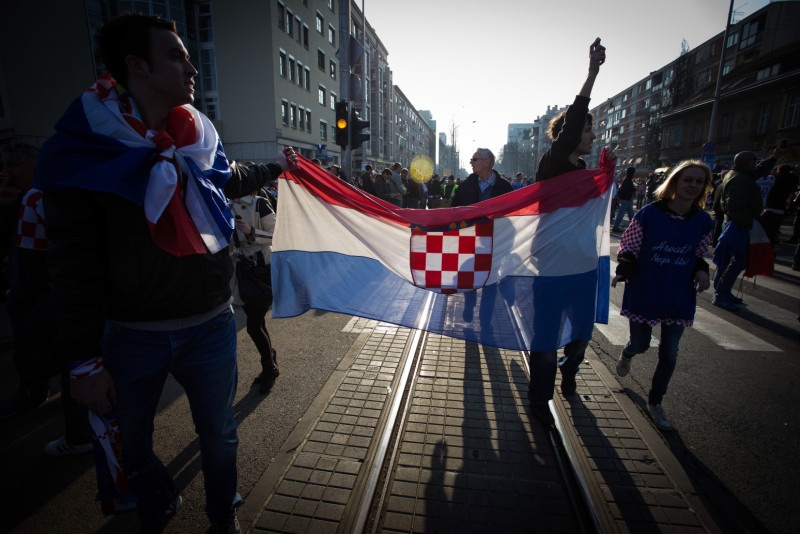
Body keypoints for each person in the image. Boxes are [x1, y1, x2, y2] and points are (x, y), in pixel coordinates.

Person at [34, 14, 294, 533]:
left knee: (220, 436)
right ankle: (159, 502)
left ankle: (222, 517)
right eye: (176, 56)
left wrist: (280, 168)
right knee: (132, 446)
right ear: (137, 65)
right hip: (131, 336)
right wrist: (82, 361)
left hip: (211, 325)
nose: (192, 68)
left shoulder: (196, 136)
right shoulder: (81, 150)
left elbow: (228, 179)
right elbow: (71, 266)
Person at [529, 37, 607, 426]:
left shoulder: (586, 175)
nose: (592, 136)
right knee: (545, 340)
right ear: (570, 134)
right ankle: (540, 401)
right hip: (552, 268)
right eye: (588, 130)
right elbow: (575, 121)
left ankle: (570, 369)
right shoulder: (554, 164)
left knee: (580, 339)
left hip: (583, 268)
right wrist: (591, 74)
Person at [611, 161, 714, 430]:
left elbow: (699, 254)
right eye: (688, 180)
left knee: (669, 354)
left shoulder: (703, 221)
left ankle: (655, 402)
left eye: (699, 181)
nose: (693, 186)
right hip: (646, 289)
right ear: (675, 182)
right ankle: (628, 352)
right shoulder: (649, 214)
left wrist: (701, 271)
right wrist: (624, 269)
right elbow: (629, 247)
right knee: (641, 344)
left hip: (678, 294)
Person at [712, 148, 780, 311]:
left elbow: (756, 172)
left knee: (729, 259)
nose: (756, 163)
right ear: (745, 163)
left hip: (737, 222)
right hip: (739, 224)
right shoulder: (739, 179)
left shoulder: (739, 174)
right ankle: (721, 294)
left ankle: (722, 291)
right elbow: (734, 207)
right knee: (737, 260)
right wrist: (749, 224)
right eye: (753, 160)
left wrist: (774, 158)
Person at [230, 191, 279, 394]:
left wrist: (251, 231)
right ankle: (270, 358)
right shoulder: (226, 204)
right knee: (257, 322)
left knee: (253, 326)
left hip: (261, 270)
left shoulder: (259, 204)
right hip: (242, 270)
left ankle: (270, 368)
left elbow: (277, 234)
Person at [760, 164, 799, 247]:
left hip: (772, 206)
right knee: (774, 229)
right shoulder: (791, 180)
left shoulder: (777, 180)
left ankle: (768, 246)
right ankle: (772, 245)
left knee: (766, 229)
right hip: (781, 207)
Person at [612, 167, 636, 232]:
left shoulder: (626, 179)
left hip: (626, 199)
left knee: (630, 214)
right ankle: (616, 227)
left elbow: (623, 189)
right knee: (623, 214)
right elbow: (627, 190)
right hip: (626, 199)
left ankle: (634, 227)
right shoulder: (628, 180)